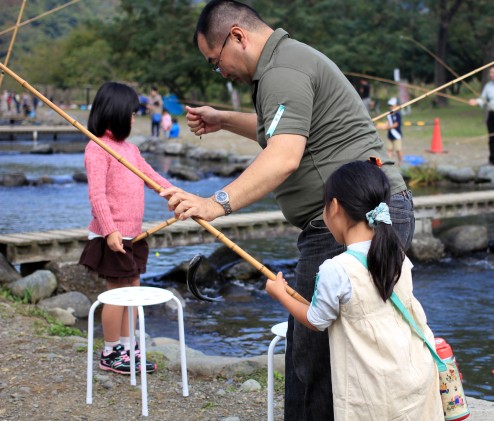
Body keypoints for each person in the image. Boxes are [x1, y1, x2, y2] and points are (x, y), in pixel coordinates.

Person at [160, 1, 415, 419]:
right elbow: (281, 125)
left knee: (311, 357)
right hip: (372, 214)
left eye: (215, 61)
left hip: (347, 222)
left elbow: (283, 156)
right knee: (354, 343)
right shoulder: (285, 63)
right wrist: (223, 118)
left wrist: (213, 203)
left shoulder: (281, 71)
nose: (219, 71)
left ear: (238, 36)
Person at [266, 160, 443, 420]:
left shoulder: (336, 268)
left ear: (334, 207)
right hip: (412, 371)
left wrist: (281, 294)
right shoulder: (396, 254)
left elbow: (316, 320)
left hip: (372, 386)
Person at [78, 82, 173, 374]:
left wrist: (176, 195)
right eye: (131, 113)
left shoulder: (130, 150)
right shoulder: (97, 148)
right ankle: (111, 352)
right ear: (115, 112)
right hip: (113, 234)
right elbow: (97, 195)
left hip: (135, 234)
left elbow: (152, 176)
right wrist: (109, 231)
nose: (134, 118)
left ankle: (129, 346)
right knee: (116, 293)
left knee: (133, 289)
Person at [382, 97, 403, 165]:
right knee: (389, 149)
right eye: (390, 105)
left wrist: (387, 127)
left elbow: (396, 124)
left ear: (396, 105)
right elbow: (387, 123)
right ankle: (389, 163)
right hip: (390, 135)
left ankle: (400, 161)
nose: (391, 107)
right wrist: (382, 126)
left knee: (398, 150)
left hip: (397, 135)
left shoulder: (398, 115)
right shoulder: (389, 115)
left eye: (392, 105)